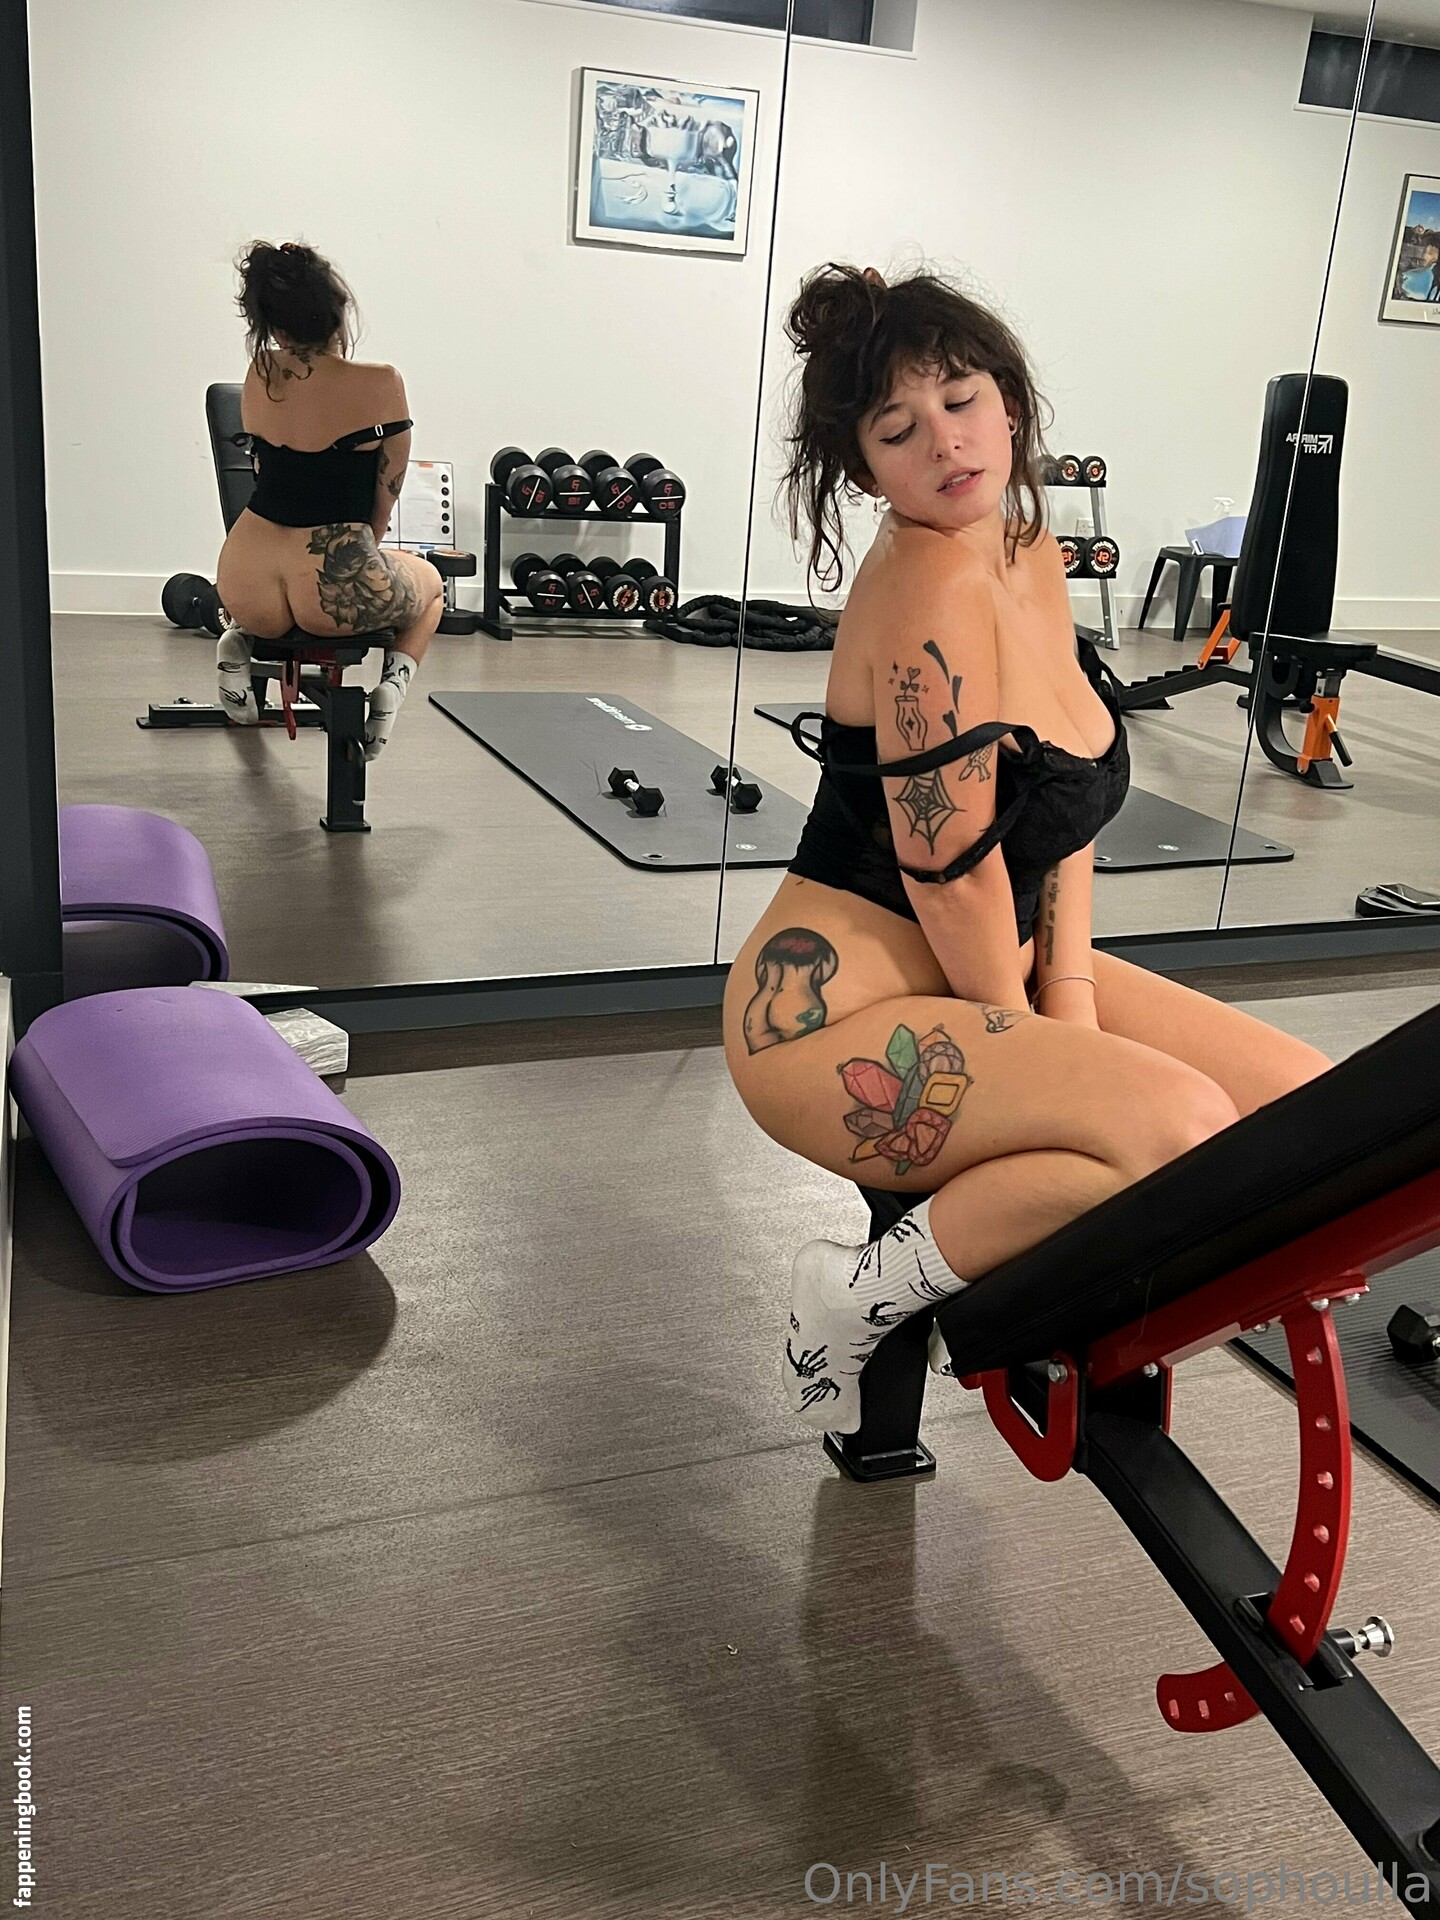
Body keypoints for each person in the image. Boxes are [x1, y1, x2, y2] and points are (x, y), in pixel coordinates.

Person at [722, 264, 1331, 1434]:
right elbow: (946, 874)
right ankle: (852, 1295)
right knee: (1173, 1130)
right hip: (827, 1022)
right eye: (899, 430)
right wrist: (1043, 1049)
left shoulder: (1025, 545)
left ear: (1007, 398)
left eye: (960, 400)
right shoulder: (927, 586)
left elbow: (1069, 801)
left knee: (1307, 1113)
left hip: (991, 963)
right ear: (866, 472)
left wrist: (1075, 994)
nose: (945, 442)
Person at [214, 241, 443, 759]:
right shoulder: (381, 382)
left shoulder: (260, 371)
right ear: (339, 311)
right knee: (431, 588)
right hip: (333, 586)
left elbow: (262, 471)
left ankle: (238, 639)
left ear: (274, 327)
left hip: (242, 582)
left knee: (270, 611)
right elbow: (382, 503)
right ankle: (390, 694)